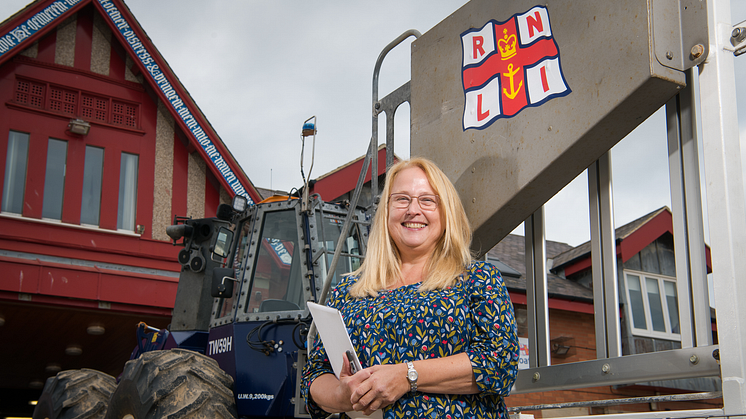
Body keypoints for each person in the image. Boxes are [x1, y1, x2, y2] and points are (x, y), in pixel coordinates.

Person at [302, 157, 519, 419]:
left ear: (445, 212)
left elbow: (499, 363)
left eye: (427, 200)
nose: (413, 210)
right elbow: (315, 374)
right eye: (402, 199)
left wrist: (406, 375)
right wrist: (341, 395)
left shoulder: (477, 281)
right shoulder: (348, 292)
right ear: (386, 212)